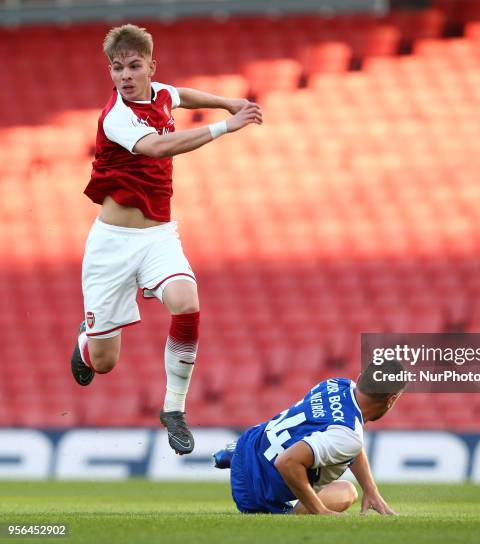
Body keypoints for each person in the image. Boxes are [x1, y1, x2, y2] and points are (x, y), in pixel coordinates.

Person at [69, 24, 262, 455]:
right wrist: (225, 125)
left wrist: (226, 99)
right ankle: (87, 339)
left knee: (186, 300)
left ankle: (173, 408)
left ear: (150, 67)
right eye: (117, 68)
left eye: (134, 66)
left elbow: (180, 94)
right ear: (111, 73)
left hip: (158, 235)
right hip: (112, 246)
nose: (125, 75)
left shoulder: (157, 93)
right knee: (104, 362)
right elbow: (158, 148)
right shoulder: (116, 116)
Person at [213, 363, 405, 515]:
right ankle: (291, 512)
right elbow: (287, 462)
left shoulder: (337, 384)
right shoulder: (348, 434)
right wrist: (320, 511)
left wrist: (370, 489)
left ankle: (238, 453)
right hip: (255, 492)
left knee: (313, 432)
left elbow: (350, 439)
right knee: (347, 491)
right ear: (391, 399)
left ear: (360, 377)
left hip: (250, 442)